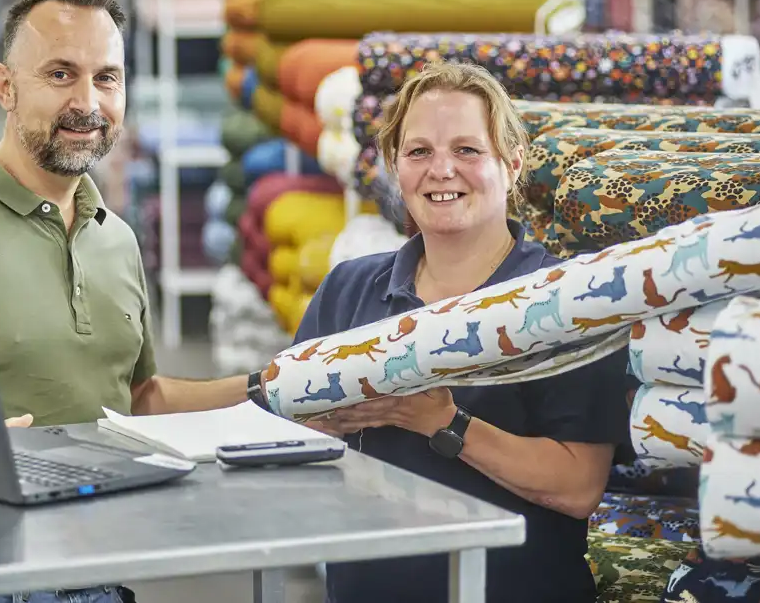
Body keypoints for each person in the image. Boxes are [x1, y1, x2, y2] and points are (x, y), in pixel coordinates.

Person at [0, 0, 251, 603]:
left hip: (96, 571)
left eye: (108, 78)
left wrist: (276, 389)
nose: (87, 102)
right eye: (61, 74)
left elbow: (138, 399)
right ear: (5, 87)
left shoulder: (114, 238)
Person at [256, 62, 628, 603]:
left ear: (512, 163)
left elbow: (578, 487)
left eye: (467, 150)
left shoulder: (560, 302)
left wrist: (440, 422)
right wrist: (311, 429)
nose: (441, 170)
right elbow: (289, 437)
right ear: (394, 166)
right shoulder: (351, 290)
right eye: (419, 152)